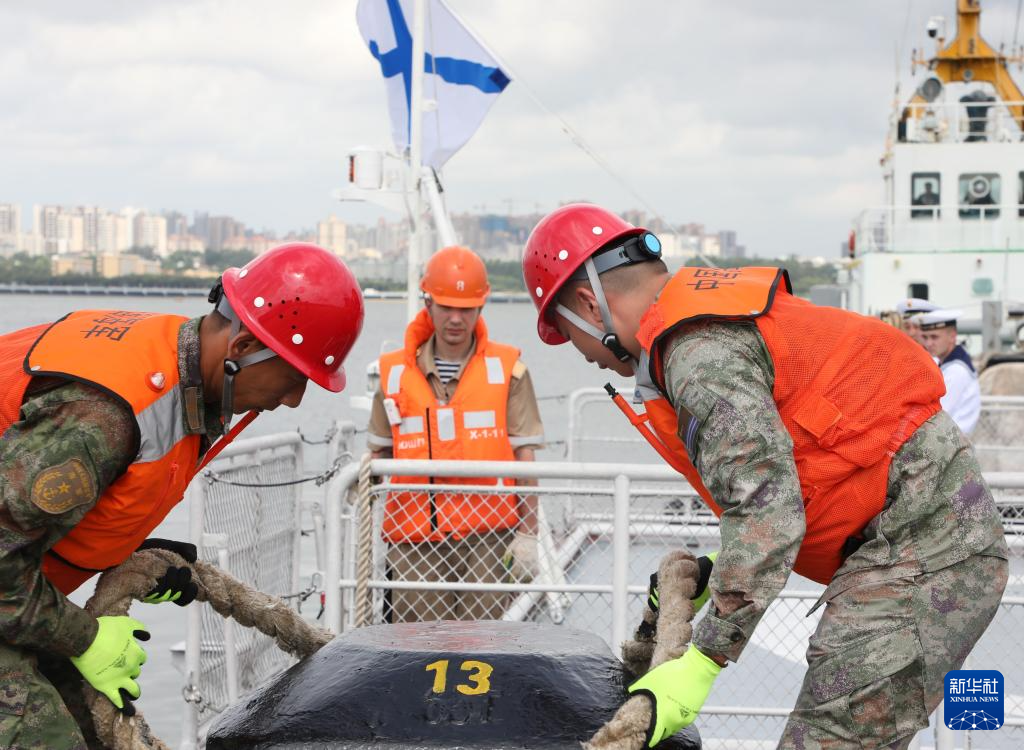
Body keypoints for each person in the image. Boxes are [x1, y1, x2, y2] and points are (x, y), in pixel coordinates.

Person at [522, 204, 1007, 749]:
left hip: (928, 554)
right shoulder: (706, 330)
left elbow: (767, 512)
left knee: (827, 737)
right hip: (916, 542)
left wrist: (700, 663)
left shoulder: (697, 354)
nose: (582, 355)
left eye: (568, 333)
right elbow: (787, 485)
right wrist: (720, 569)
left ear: (588, 304)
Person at [0, 243, 364, 749]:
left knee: (85, 719)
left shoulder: (179, 371)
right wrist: (87, 638)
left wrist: (128, 549)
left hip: (15, 591)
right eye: (293, 378)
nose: (294, 400)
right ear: (241, 348)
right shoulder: (103, 413)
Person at [367, 245, 544, 622]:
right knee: (416, 644)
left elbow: (525, 456)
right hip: (413, 540)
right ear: (428, 302)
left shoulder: (509, 369)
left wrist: (529, 535)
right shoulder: (392, 373)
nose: (455, 318)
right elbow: (379, 455)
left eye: (466, 309)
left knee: (482, 643)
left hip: (488, 538)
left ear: (481, 307)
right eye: (446, 306)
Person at [918, 308, 981, 434]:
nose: (929, 343)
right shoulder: (947, 363)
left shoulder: (956, 371)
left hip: (949, 441)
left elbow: (936, 414)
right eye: (925, 337)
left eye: (934, 337)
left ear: (952, 336)